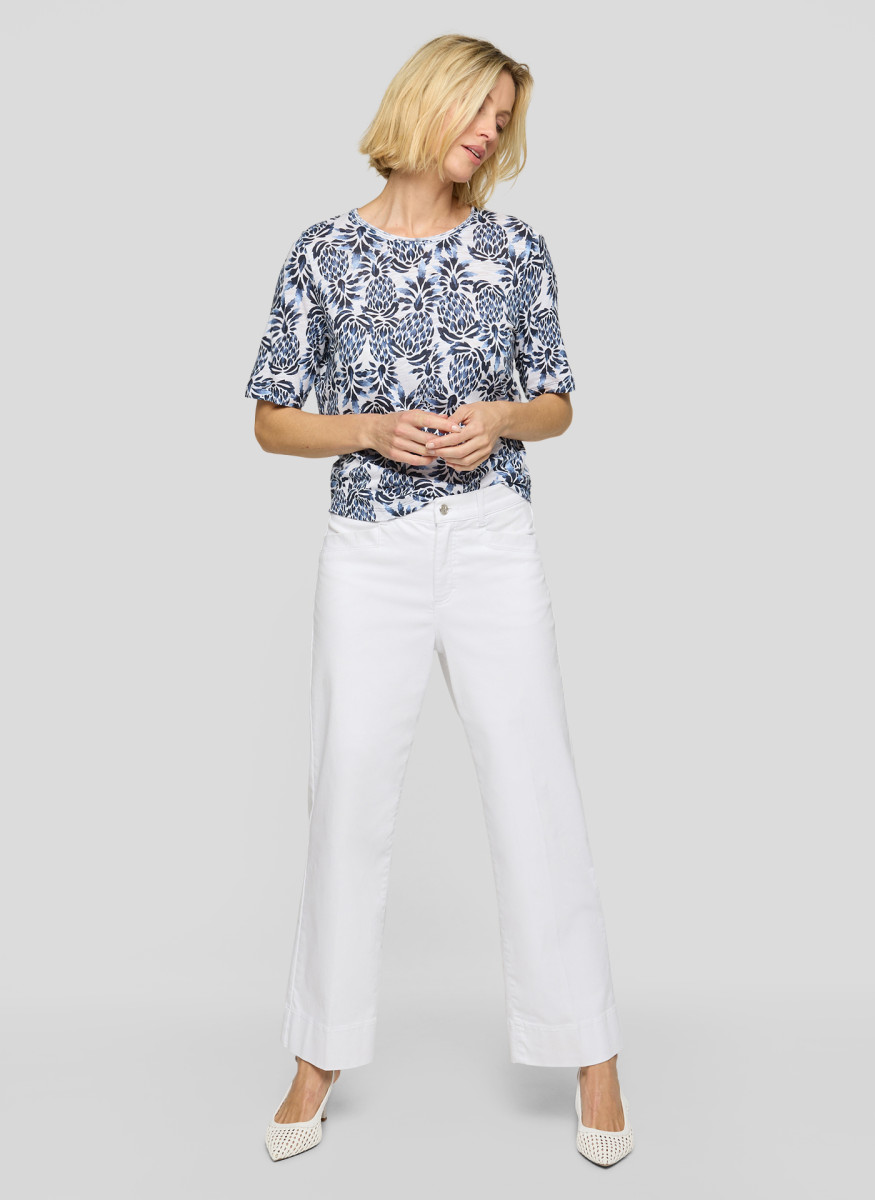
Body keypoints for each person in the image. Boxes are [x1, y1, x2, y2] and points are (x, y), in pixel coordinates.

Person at [244, 33, 634, 1168]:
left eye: (503, 119)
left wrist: (500, 419)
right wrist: (367, 428)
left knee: (534, 783)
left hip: (489, 541)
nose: (489, 132)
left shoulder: (516, 250)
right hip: (369, 548)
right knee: (348, 791)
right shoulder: (323, 253)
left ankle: (591, 1049)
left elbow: (556, 400)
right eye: (478, 108)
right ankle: (316, 1052)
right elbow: (270, 419)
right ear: (426, 100)